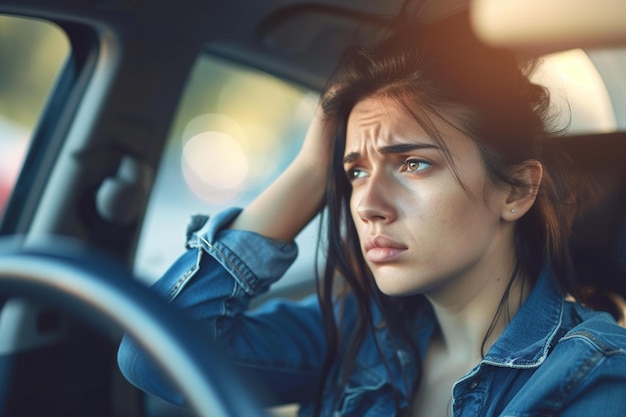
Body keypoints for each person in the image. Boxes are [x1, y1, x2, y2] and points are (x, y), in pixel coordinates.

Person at [118, 10, 626, 417]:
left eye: (413, 163)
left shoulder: (592, 378)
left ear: (516, 189)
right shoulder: (357, 335)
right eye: (355, 172)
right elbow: (154, 355)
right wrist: (310, 171)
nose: (367, 205)